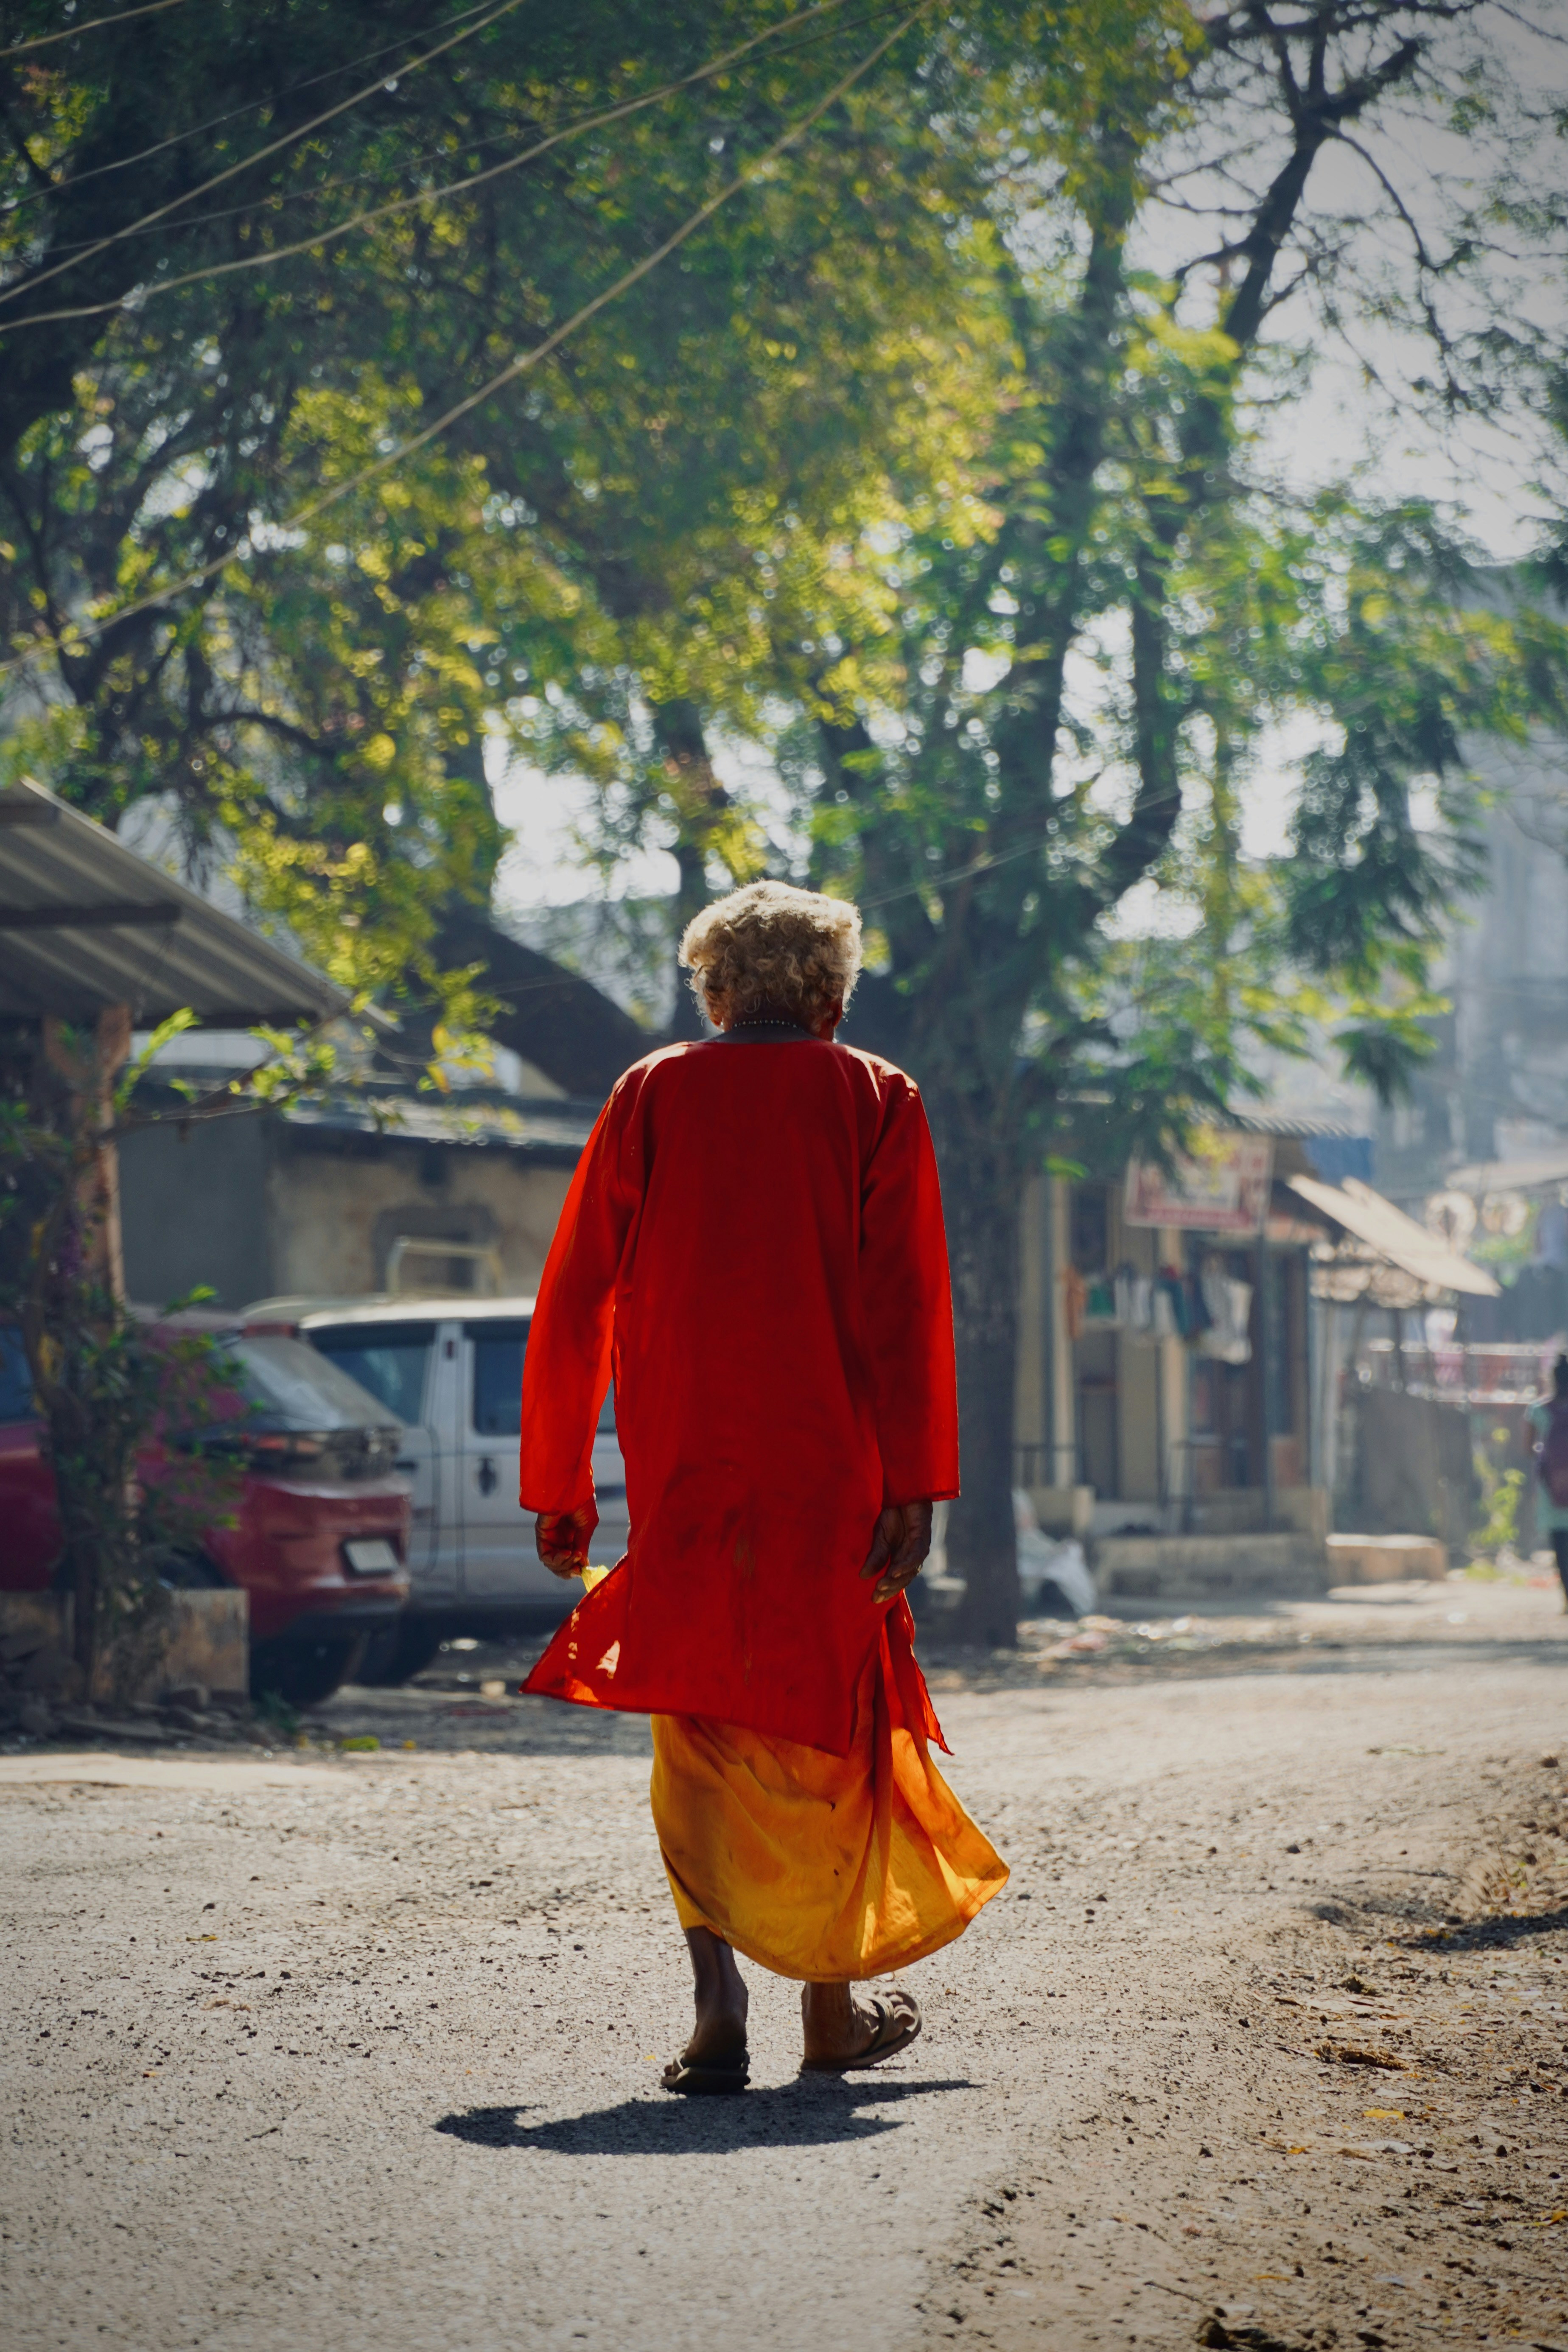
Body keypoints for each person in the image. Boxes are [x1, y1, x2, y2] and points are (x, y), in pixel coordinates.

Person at [518, 879, 1007, 2092]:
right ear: (833, 997)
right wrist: (919, 1480)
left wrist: (560, 1478)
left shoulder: (651, 1093)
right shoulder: (874, 1095)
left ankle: (714, 2011)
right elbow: (904, 1304)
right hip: (827, 1462)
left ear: (715, 991)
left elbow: (577, 1290)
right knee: (824, 1722)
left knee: (698, 1718)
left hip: (686, 1462)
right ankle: (827, 2013)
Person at [1528, 1352, 1568, 1610]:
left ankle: (1567, 1598)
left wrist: (1550, 1460)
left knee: (1561, 1548)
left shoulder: (1539, 1410)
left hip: (1552, 1489)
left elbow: (1527, 1447)